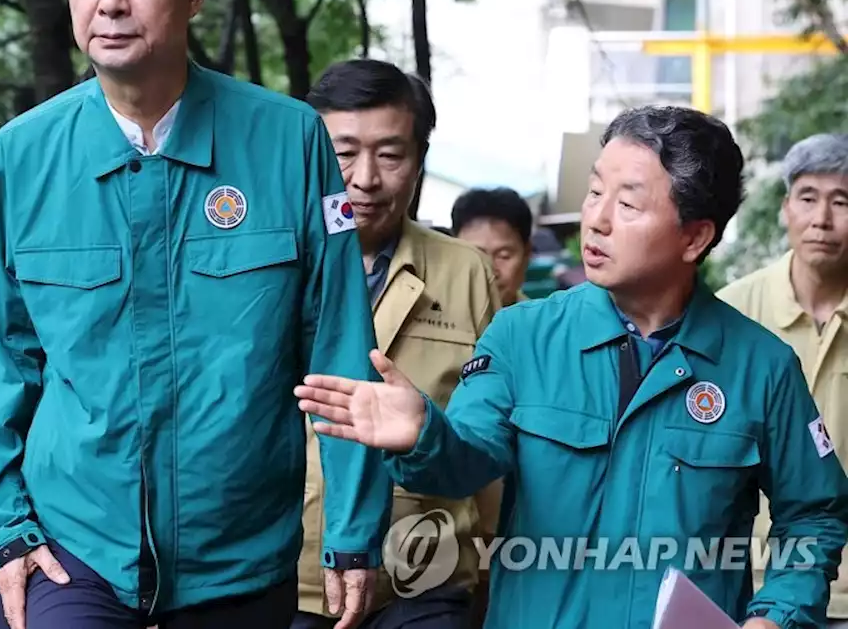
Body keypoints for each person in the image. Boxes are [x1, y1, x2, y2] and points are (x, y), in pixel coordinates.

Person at [0, 0, 393, 629]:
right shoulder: (19, 157)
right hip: (73, 544)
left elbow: (339, 347)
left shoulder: (288, 141)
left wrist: (353, 530)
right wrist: (3, 525)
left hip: (238, 548)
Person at [293, 106, 848, 629]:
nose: (596, 221)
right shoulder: (523, 335)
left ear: (695, 236)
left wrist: (775, 614)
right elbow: (468, 459)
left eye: (628, 205)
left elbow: (816, 513)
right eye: (594, 192)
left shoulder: (761, 366)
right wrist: (422, 435)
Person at [294, 59, 503, 629]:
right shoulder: (264, 266)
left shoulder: (466, 274)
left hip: (423, 578)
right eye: (343, 152)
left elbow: (491, 440)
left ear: (418, 162)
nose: (365, 178)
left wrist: (490, 568)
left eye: (390, 154)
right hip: (291, 578)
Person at [719, 133, 848, 627]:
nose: (822, 219)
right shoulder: (731, 313)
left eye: (841, 201)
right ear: (785, 207)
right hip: (751, 589)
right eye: (808, 197)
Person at [451, 187, 534, 306]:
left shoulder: (540, 323)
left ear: (527, 254)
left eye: (503, 256)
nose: (489, 271)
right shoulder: (426, 315)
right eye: (475, 255)